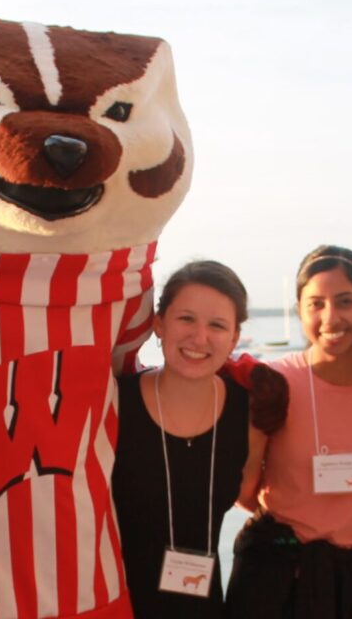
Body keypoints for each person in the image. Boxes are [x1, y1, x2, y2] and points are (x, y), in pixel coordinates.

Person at [227, 245, 352, 619]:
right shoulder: (273, 383)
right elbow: (245, 492)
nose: (331, 317)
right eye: (316, 304)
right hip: (274, 577)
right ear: (299, 308)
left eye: (345, 301)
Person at [111, 261, 284, 617]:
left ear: (234, 337)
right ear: (159, 324)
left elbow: (251, 496)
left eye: (217, 325)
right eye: (186, 319)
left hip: (206, 607)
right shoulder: (114, 404)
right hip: (117, 605)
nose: (199, 338)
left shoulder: (248, 412)